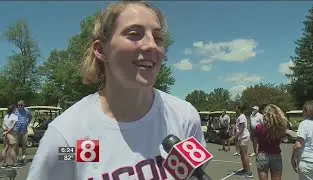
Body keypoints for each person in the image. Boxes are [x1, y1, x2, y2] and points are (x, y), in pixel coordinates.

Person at [26, 1, 205, 180]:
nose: (152, 45)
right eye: (135, 34)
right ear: (101, 50)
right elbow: (72, 158)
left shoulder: (184, 117)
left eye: (158, 38)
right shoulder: (68, 136)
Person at [254, 104, 287, 180]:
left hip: (262, 155)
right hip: (276, 154)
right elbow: (280, 141)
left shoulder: (259, 127)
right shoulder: (281, 127)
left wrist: (257, 153)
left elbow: (255, 143)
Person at [291, 100, 313, 180]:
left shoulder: (304, 124)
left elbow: (298, 145)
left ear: (308, 112)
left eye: (303, 110)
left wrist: (293, 158)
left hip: (308, 162)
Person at [229, 104, 253, 178]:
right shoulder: (240, 117)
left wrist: (233, 137)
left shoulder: (242, 117)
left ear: (240, 109)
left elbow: (241, 129)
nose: (236, 110)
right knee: (242, 154)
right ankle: (245, 169)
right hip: (241, 137)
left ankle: (248, 172)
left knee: (244, 154)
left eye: (237, 108)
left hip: (244, 137)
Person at [14, 100, 32, 165]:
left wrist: (27, 122)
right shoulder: (15, 111)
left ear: (24, 105)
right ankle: (16, 157)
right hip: (17, 131)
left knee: (24, 144)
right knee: (16, 145)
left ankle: (24, 156)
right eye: (19, 105)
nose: (20, 106)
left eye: (21, 105)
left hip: (24, 130)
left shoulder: (27, 111)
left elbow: (30, 117)